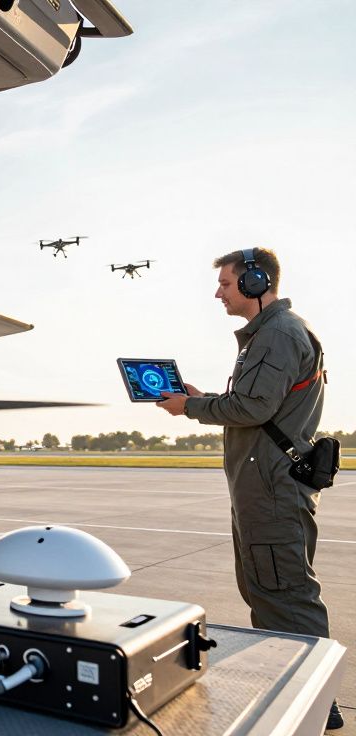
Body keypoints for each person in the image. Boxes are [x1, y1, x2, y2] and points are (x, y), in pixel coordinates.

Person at [156, 248, 342, 730]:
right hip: (264, 485)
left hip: (272, 488)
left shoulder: (278, 334)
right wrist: (203, 400)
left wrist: (189, 409)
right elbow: (254, 403)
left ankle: (316, 706)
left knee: (284, 591)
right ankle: (304, 694)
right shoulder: (271, 334)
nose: (217, 293)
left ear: (256, 283)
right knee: (267, 588)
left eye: (225, 283)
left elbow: (254, 409)